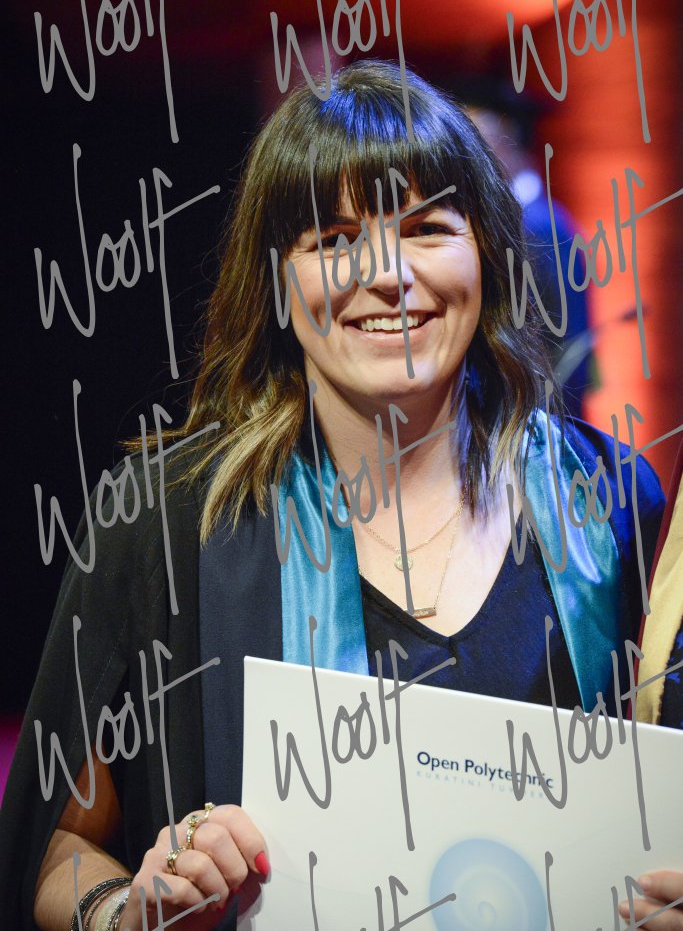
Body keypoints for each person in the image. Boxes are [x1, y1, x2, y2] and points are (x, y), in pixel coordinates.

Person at [0, 61, 672, 931]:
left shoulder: (607, 502)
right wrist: (127, 909)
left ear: (488, 254)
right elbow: (54, 844)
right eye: (333, 238)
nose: (386, 274)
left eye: (427, 228)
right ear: (277, 281)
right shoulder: (165, 517)